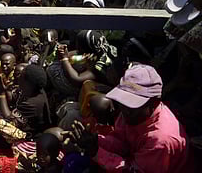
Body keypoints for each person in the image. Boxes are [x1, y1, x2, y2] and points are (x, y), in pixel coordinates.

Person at [65, 64, 193, 173]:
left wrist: (96, 152)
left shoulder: (160, 140)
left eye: (132, 104)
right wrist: (96, 141)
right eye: (123, 102)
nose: (124, 111)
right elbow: (122, 143)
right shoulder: (132, 113)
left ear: (153, 103)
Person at [47, 30, 118, 98]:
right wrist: (64, 53)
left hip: (82, 89)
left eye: (80, 47)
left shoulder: (100, 65)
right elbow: (75, 54)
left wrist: (64, 59)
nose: (77, 49)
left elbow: (77, 79)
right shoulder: (96, 50)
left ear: (88, 49)